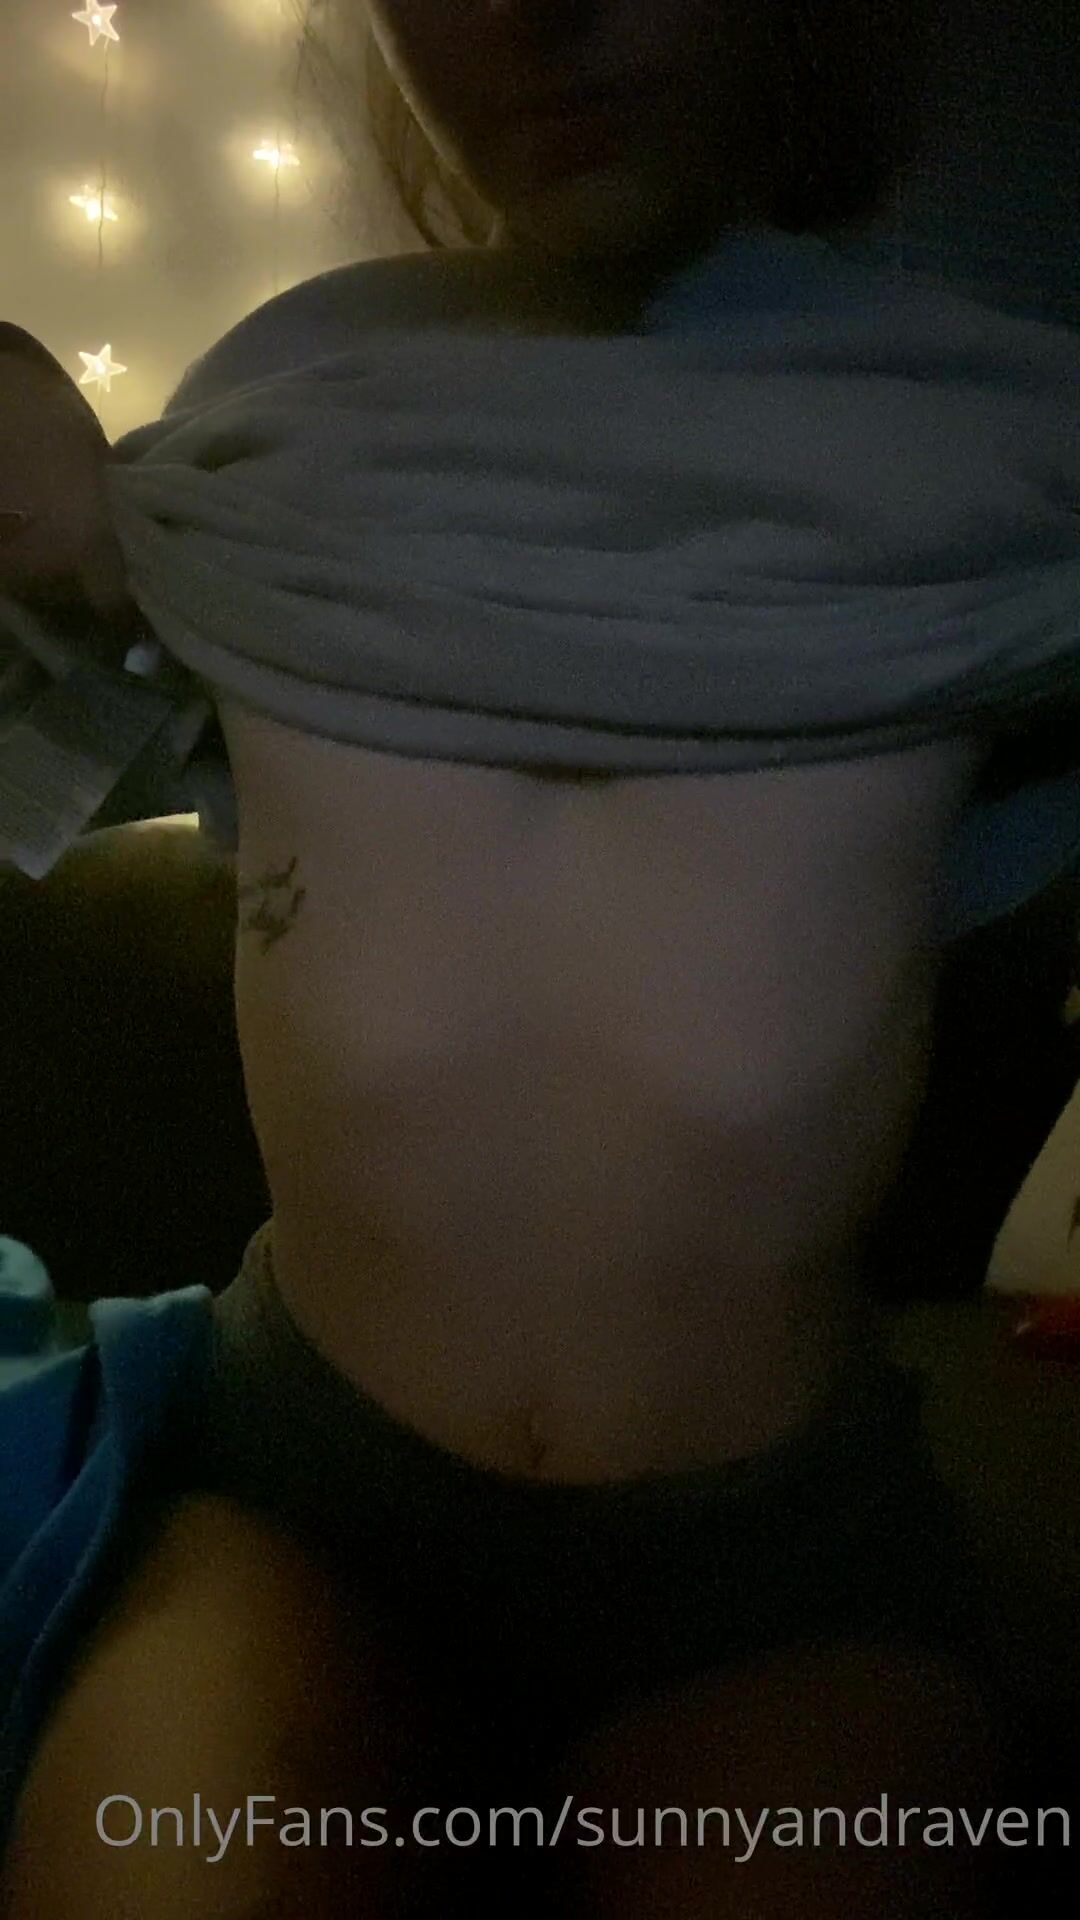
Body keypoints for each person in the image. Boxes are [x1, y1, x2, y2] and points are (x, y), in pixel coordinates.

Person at [2, 1, 1066, 1914]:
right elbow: (63, 696)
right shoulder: (290, 409)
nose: (535, 16)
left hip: (773, 1565)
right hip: (302, 1493)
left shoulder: (1005, 462)